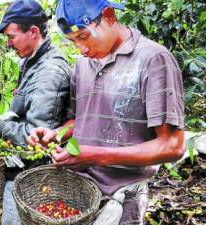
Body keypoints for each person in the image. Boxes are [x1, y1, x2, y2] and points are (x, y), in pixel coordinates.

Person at [27, 0, 185, 224]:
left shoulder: (153, 60)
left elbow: (172, 145)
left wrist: (95, 156)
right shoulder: (82, 64)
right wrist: (57, 134)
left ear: (109, 16)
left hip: (121, 198)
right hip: (78, 192)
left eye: (84, 36)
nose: (81, 49)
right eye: (73, 42)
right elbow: (79, 119)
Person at [0, 0, 72, 224]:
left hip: (33, 177)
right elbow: (25, 106)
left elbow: (36, 137)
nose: (8, 44)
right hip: (20, 170)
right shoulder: (31, 62)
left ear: (33, 32)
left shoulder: (49, 72)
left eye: (11, 37)